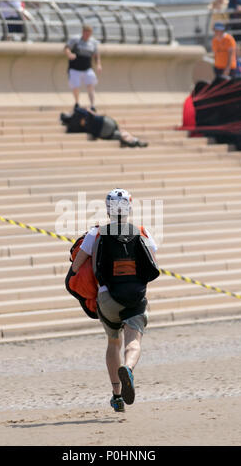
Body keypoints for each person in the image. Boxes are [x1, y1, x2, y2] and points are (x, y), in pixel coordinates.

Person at [70, 189, 160, 412]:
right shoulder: (141, 231)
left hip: (107, 297)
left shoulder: (96, 233)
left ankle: (117, 395)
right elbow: (153, 265)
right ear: (129, 207)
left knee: (113, 342)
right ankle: (128, 368)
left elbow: (75, 267)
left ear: (108, 208)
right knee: (133, 341)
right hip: (136, 297)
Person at [60, 106, 148, 148]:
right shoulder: (78, 112)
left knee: (119, 134)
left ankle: (132, 141)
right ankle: (133, 140)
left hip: (103, 131)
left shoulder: (72, 127)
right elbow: (90, 109)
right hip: (104, 123)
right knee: (120, 132)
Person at [64, 25, 102, 111]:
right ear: (83, 32)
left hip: (87, 68)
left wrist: (98, 64)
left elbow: (96, 55)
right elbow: (66, 48)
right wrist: (69, 54)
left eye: (89, 33)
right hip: (75, 68)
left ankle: (92, 105)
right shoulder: (75, 40)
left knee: (90, 86)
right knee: (76, 86)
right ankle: (77, 103)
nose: (87, 35)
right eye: (85, 33)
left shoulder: (93, 42)